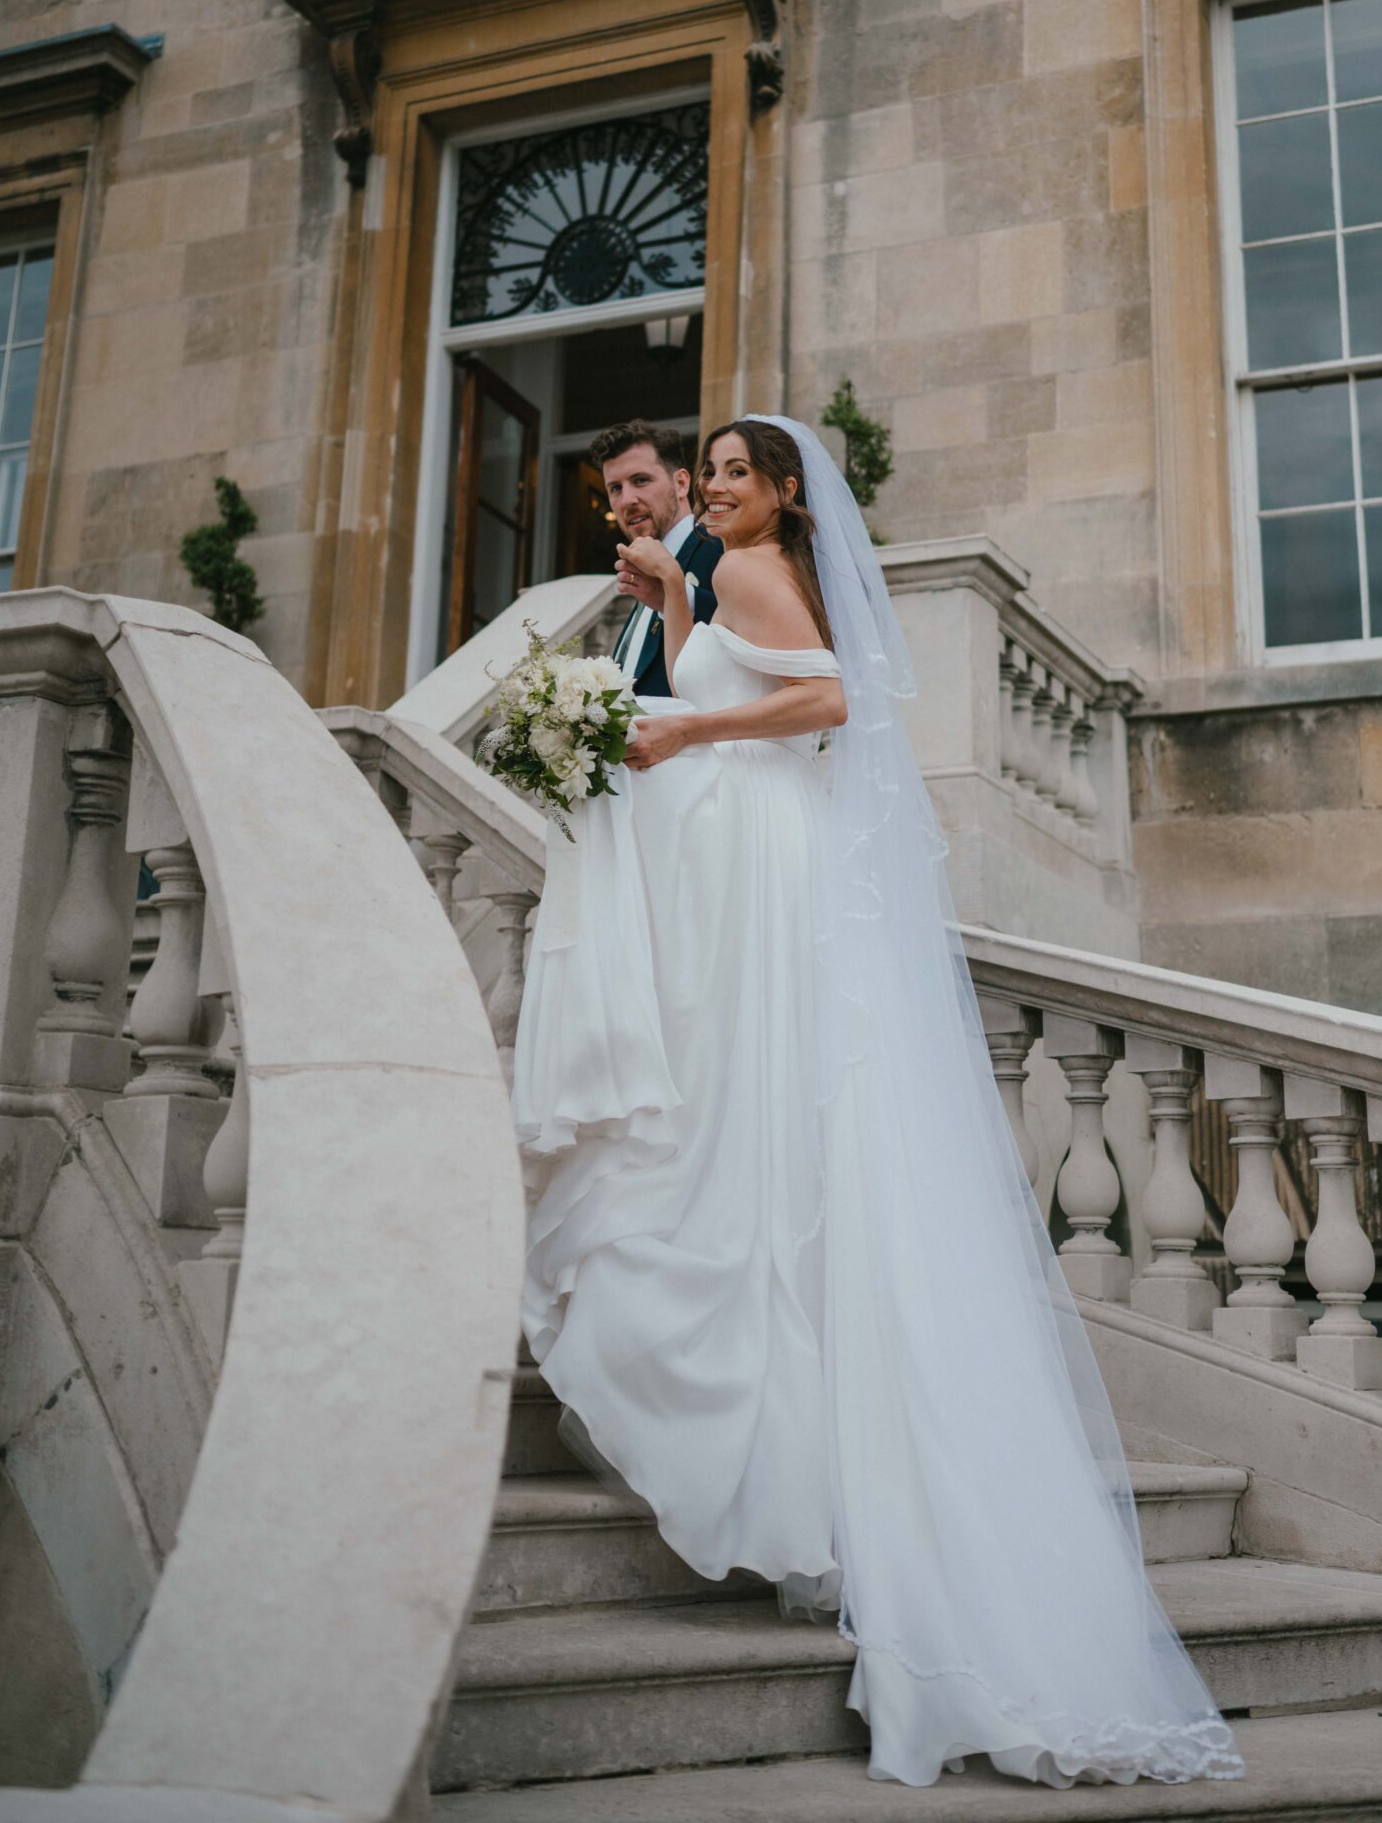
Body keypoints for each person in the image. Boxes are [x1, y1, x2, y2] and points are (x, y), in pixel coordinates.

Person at [511, 417, 1242, 1792]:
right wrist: (676, 620)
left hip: (754, 850)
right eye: (704, 475)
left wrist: (682, 728)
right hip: (757, 855)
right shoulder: (719, 578)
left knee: (736, 1127)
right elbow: (786, 679)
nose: (709, 489)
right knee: (759, 1128)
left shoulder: (749, 570)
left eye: (728, 474)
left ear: (779, 493)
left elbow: (830, 703)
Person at [592, 418, 723, 700]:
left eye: (641, 480)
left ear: (681, 483)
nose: (627, 500)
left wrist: (675, 596)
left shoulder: (719, 548)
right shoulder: (638, 575)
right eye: (615, 488)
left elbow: (750, 628)